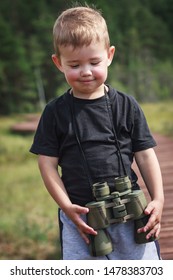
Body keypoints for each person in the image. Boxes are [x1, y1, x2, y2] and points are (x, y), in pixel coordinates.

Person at [30, 5, 164, 260]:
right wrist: (67, 207)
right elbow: (46, 165)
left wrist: (158, 198)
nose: (86, 72)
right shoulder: (54, 113)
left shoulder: (127, 105)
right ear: (58, 63)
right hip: (81, 217)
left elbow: (146, 156)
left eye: (94, 62)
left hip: (131, 213)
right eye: (75, 65)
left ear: (110, 55)